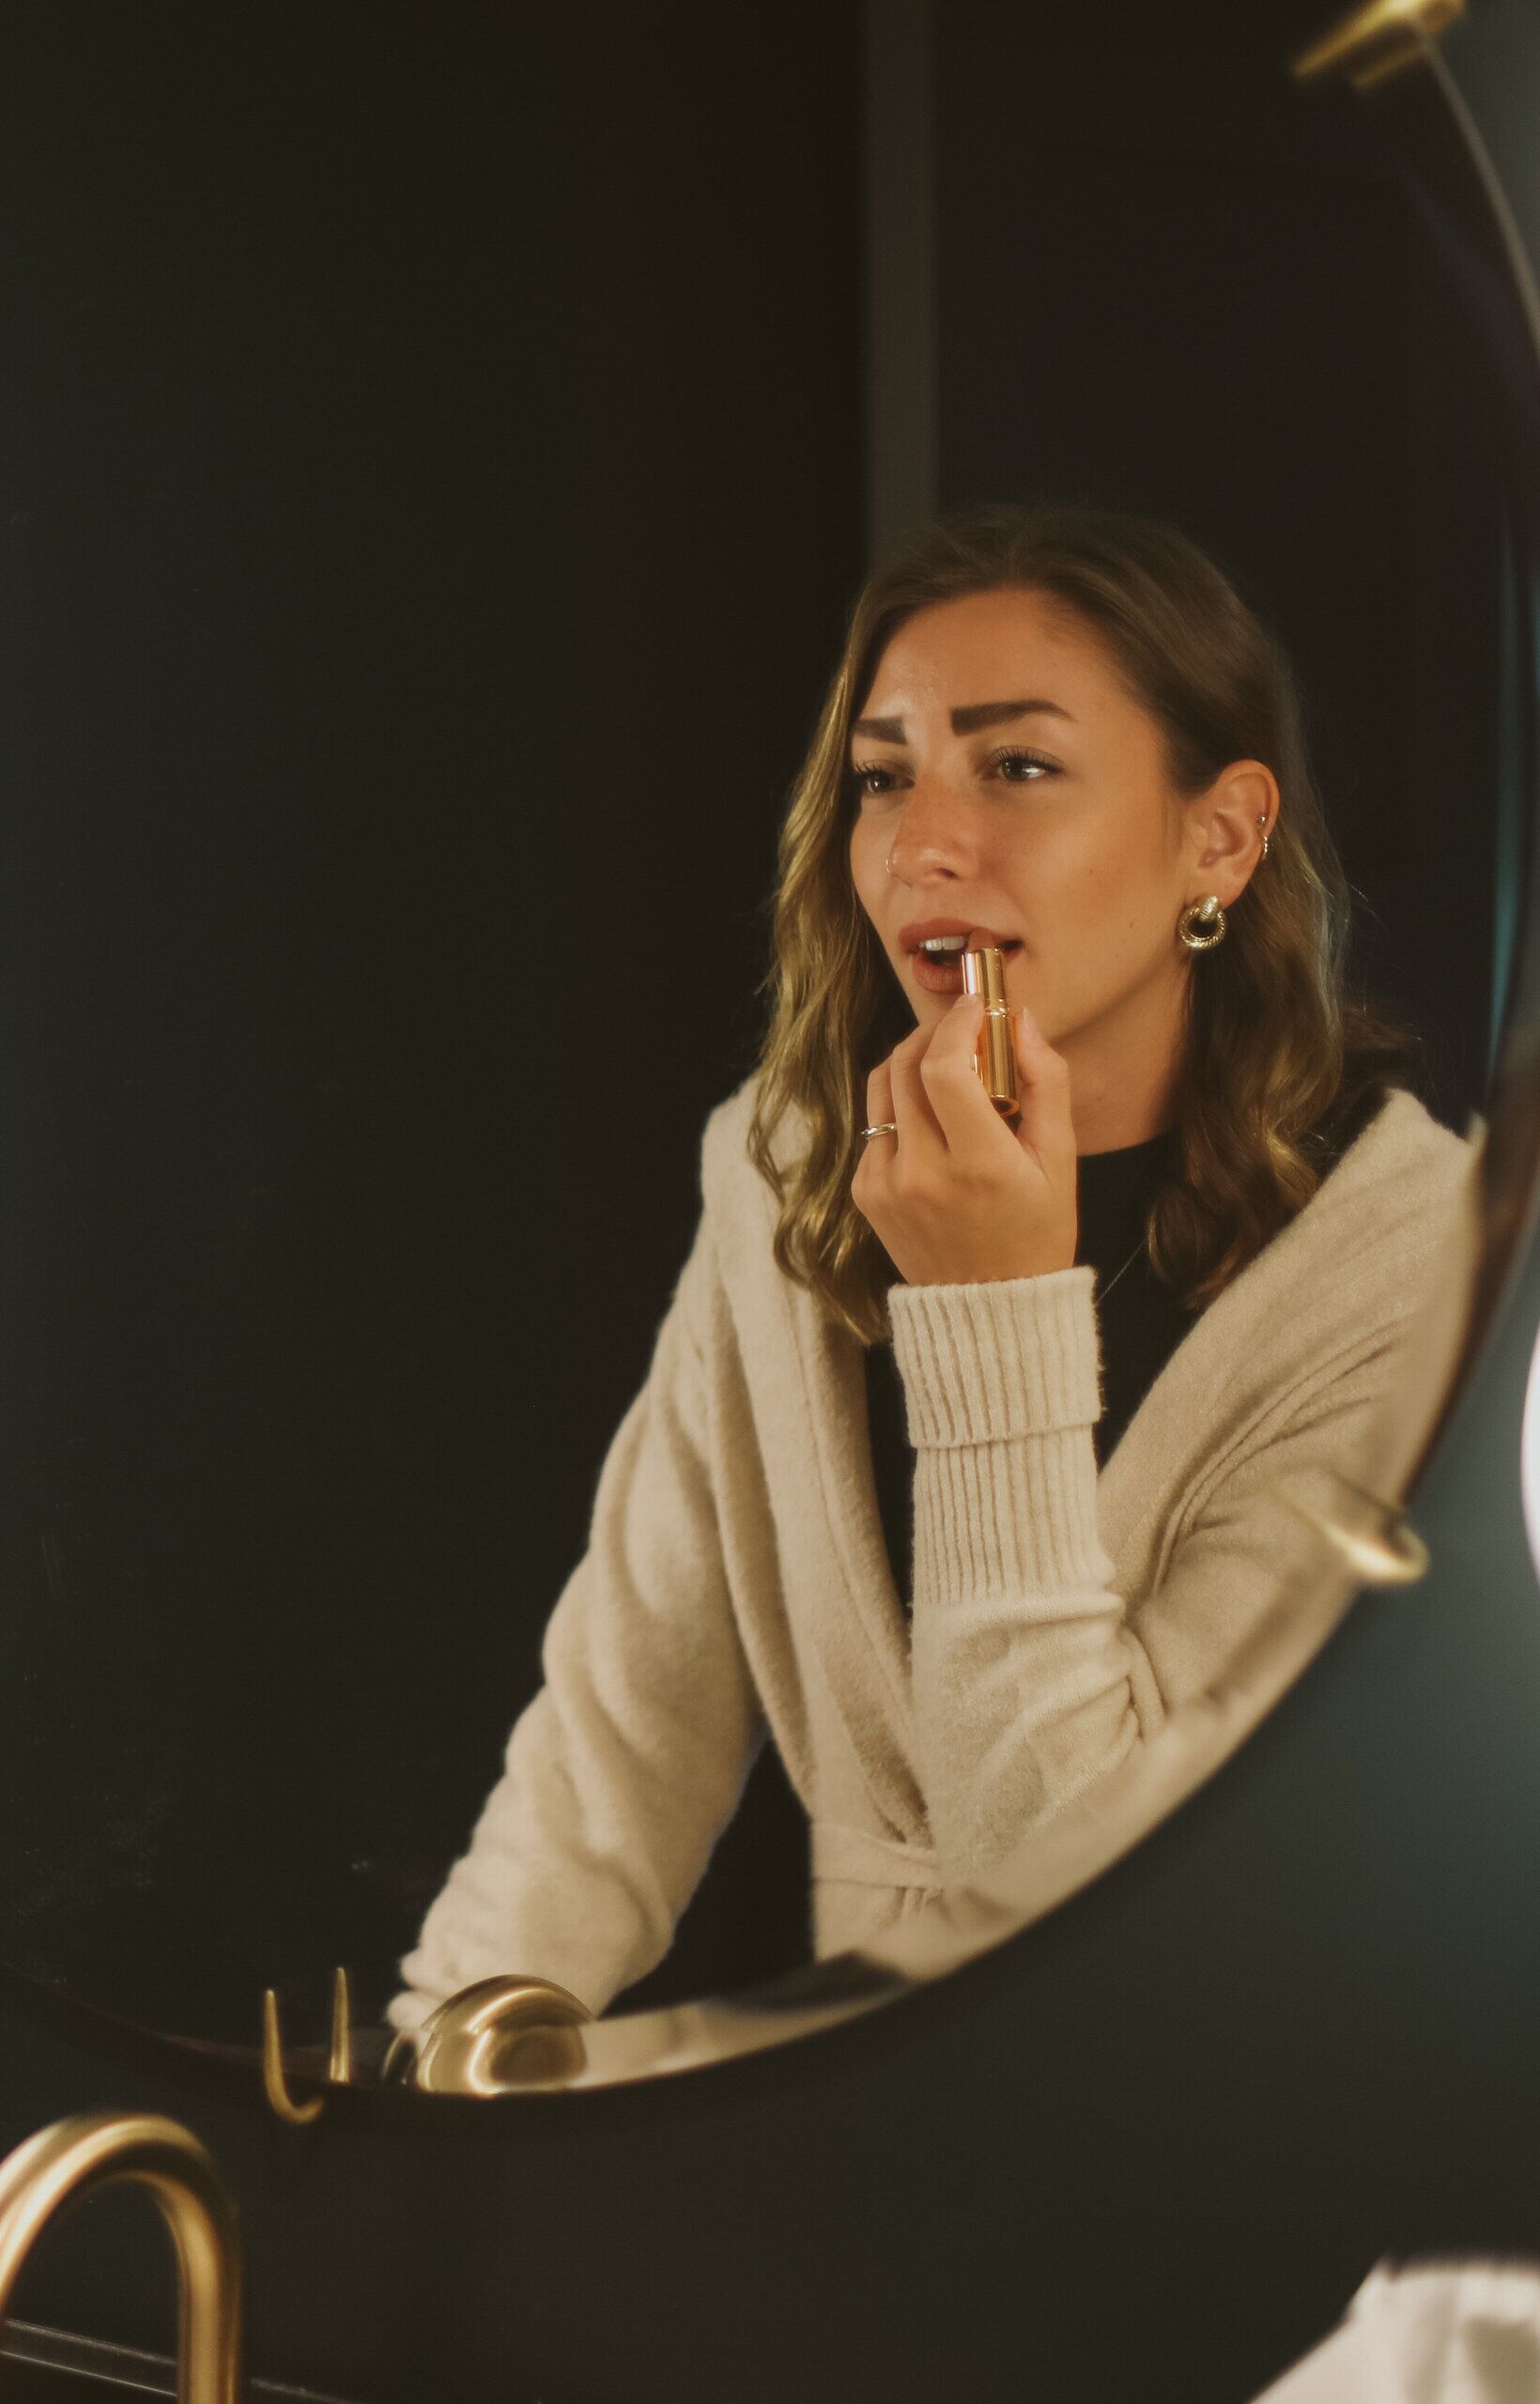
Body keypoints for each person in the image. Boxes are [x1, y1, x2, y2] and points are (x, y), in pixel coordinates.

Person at [399, 506, 1471, 2026]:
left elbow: (1073, 1887)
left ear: (1220, 837)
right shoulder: (780, 1166)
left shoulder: (1408, 1267)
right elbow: (619, 1738)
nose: (922, 846)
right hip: (861, 2121)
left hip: (1200, 2131)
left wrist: (993, 1313)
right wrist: (445, 2067)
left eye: (1017, 765)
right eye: (885, 777)